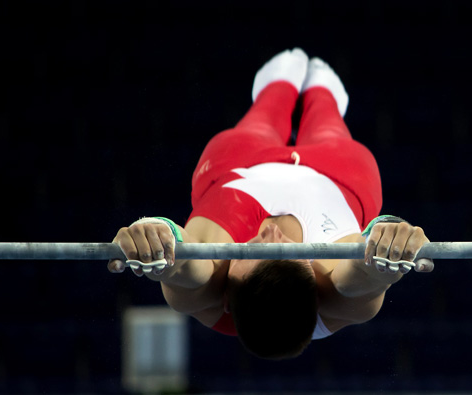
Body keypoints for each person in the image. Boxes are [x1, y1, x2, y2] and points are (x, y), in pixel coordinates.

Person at [107, 48, 434, 360]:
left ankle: (280, 85)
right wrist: (390, 245)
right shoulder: (338, 296)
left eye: (251, 252)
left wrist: (155, 239)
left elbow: (180, 264)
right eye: (293, 253)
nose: (272, 233)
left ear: (226, 298)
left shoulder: (206, 291)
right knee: (327, 120)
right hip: (335, 174)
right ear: (315, 287)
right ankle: (323, 91)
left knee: (264, 116)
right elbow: (367, 272)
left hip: (239, 167)